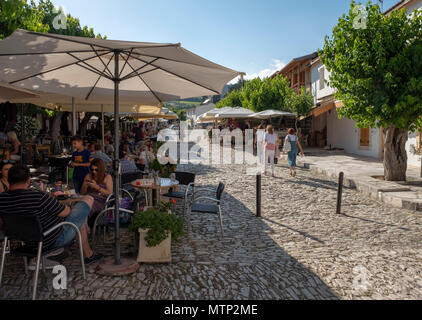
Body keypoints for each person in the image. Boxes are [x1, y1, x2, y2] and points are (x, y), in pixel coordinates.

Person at [0, 165, 103, 266]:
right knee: (88, 199)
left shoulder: (2, 199)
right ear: (28, 180)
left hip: (26, 241)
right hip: (52, 241)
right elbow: (66, 212)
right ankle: (84, 255)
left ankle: (89, 255)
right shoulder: (38, 196)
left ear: (9, 180)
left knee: (80, 224)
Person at [80, 158, 113, 229]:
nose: (94, 172)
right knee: (78, 206)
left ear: (101, 169)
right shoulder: (89, 176)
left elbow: (109, 193)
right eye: (92, 169)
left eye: (96, 170)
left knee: (85, 207)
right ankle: (82, 226)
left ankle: (84, 226)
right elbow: (82, 193)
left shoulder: (107, 177)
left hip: (100, 201)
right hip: (87, 198)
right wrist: (84, 184)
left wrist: (97, 187)